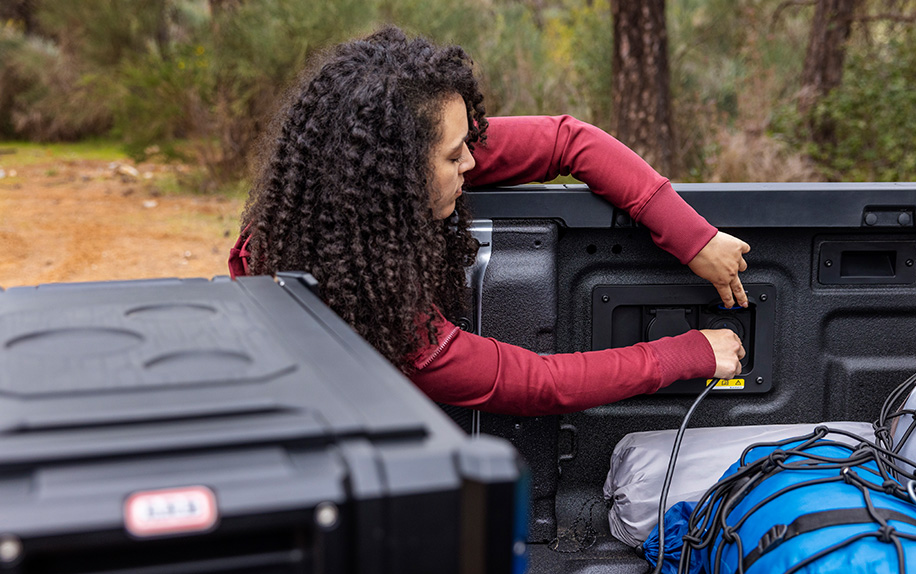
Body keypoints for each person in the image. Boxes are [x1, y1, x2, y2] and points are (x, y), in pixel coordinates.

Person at [230, 26, 749, 416]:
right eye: (455, 157)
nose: (473, 164)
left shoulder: (378, 172)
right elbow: (535, 382)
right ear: (395, 176)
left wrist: (694, 239)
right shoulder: (358, 307)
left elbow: (568, 140)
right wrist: (686, 355)